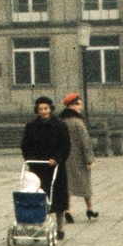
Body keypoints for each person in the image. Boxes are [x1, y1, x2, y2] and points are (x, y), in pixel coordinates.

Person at [20, 96, 72, 233]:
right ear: (37, 110)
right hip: (38, 167)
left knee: (58, 197)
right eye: (40, 109)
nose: (43, 111)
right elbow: (25, 146)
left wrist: (57, 159)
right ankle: (41, 224)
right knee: (39, 196)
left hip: (55, 167)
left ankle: (60, 227)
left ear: (50, 109)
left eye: (45, 108)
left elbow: (66, 146)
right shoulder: (31, 126)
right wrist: (30, 159)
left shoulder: (60, 125)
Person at [59, 94, 97, 221]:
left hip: (64, 158)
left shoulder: (61, 121)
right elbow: (85, 141)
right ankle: (90, 209)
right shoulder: (78, 122)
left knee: (67, 185)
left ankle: (68, 210)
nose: (80, 107)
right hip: (79, 158)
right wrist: (89, 158)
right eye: (78, 104)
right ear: (71, 106)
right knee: (85, 183)